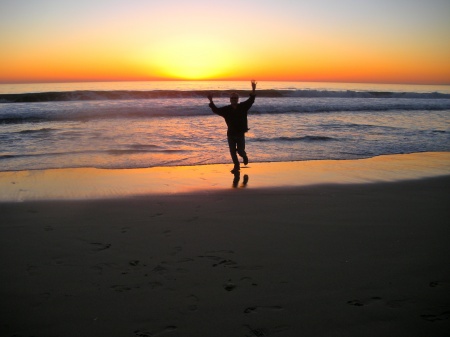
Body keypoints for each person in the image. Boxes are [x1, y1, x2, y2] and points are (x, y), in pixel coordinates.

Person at [207, 80, 257, 173]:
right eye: (232, 98)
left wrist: (253, 89)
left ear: (237, 99)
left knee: (240, 151)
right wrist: (211, 101)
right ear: (230, 100)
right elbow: (216, 110)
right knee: (232, 151)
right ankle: (236, 166)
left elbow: (251, 100)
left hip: (240, 133)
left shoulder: (243, 107)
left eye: (235, 98)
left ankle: (244, 156)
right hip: (231, 134)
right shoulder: (226, 110)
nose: (234, 99)